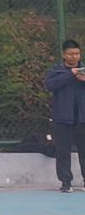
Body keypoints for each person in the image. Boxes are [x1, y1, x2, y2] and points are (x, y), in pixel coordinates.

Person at [44, 40, 84, 192]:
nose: (74, 57)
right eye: (70, 54)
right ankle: (66, 183)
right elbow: (50, 85)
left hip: (82, 118)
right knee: (63, 152)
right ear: (63, 55)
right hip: (62, 118)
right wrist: (71, 75)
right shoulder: (56, 71)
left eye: (77, 53)